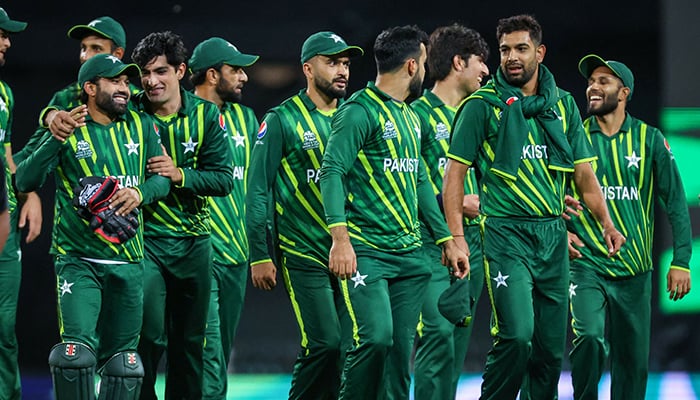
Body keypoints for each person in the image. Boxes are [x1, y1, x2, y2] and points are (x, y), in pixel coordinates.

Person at [442, 14, 626, 400]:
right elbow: (454, 177)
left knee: (547, 351)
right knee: (517, 336)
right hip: (506, 235)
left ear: (539, 53)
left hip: (552, 239)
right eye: (506, 49)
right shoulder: (481, 106)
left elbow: (583, 174)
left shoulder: (561, 106)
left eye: (521, 48)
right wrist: (456, 238)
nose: (512, 57)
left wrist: (606, 222)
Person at [319, 25, 469, 400]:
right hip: (368, 253)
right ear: (412, 66)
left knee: (400, 356)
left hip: (410, 256)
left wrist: (446, 239)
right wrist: (340, 238)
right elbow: (332, 172)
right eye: (423, 62)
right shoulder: (357, 111)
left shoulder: (410, 116)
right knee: (375, 339)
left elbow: (420, 182)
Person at [15, 53, 170, 400]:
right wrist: (53, 139)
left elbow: (162, 180)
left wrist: (140, 193)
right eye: (114, 81)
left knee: (126, 365)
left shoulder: (142, 125)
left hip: (129, 262)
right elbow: (23, 179)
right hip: (79, 260)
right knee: (76, 358)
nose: (124, 89)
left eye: (126, 82)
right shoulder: (67, 126)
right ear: (89, 87)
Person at [567, 55, 692, 400]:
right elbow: (551, 195)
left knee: (632, 365)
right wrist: (561, 231)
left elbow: (676, 203)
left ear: (624, 93)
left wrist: (681, 261)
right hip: (586, 266)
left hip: (635, 271)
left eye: (603, 82)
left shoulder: (649, 139)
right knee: (589, 338)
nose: (593, 87)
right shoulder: (573, 136)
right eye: (591, 80)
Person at [246, 31, 363, 399]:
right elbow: (258, 188)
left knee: (349, 348)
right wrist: (260, 253)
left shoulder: (356, 115)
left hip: (354, 251)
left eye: (345, 63)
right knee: (325, 343)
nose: (342, 70)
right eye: (333, 62)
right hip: (304, 250)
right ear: (308, 68)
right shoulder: (282, 119)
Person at [130, 31, 234, 400]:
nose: (151, 81)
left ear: (180, 71)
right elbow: (78, 98)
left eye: (160, 71)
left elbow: (224, 180)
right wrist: (52, 114)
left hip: (194, 244)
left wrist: (181, 175)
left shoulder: (206, 115)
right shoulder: (129, 111)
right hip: (145, 243)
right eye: (144, 73)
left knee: (190, 345)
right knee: (148, 336)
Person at [410, 24, 489, 400]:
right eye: (479, 62)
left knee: (456, 345)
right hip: (431, 248)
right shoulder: (417, 117)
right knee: (437, 335)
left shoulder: (478, 117)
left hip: (474, 247)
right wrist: (453, 203)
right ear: (459, 62)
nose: (486, 71)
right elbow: (402, 185)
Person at [189, 37, 259, 399]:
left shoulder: (246, 118)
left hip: (237, 254)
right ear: (213, 75)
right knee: (208, 352)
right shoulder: (182, 116)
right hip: (198, 252)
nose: (245, 77)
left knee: (218, 351)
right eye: (237, 70)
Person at [15, 16, 136, 163]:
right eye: (83, 48)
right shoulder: (66, 97)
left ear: (117, 54)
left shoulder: (137, 100)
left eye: (96, 48)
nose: (85, 56)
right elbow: (30, 152)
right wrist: (50, 115)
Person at [0, 8, 33, 400]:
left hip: (5, 222)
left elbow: (6, 156)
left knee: (5, 329)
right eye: (1, 34)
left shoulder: (5, 93)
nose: (7, 42)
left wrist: (27, 194)